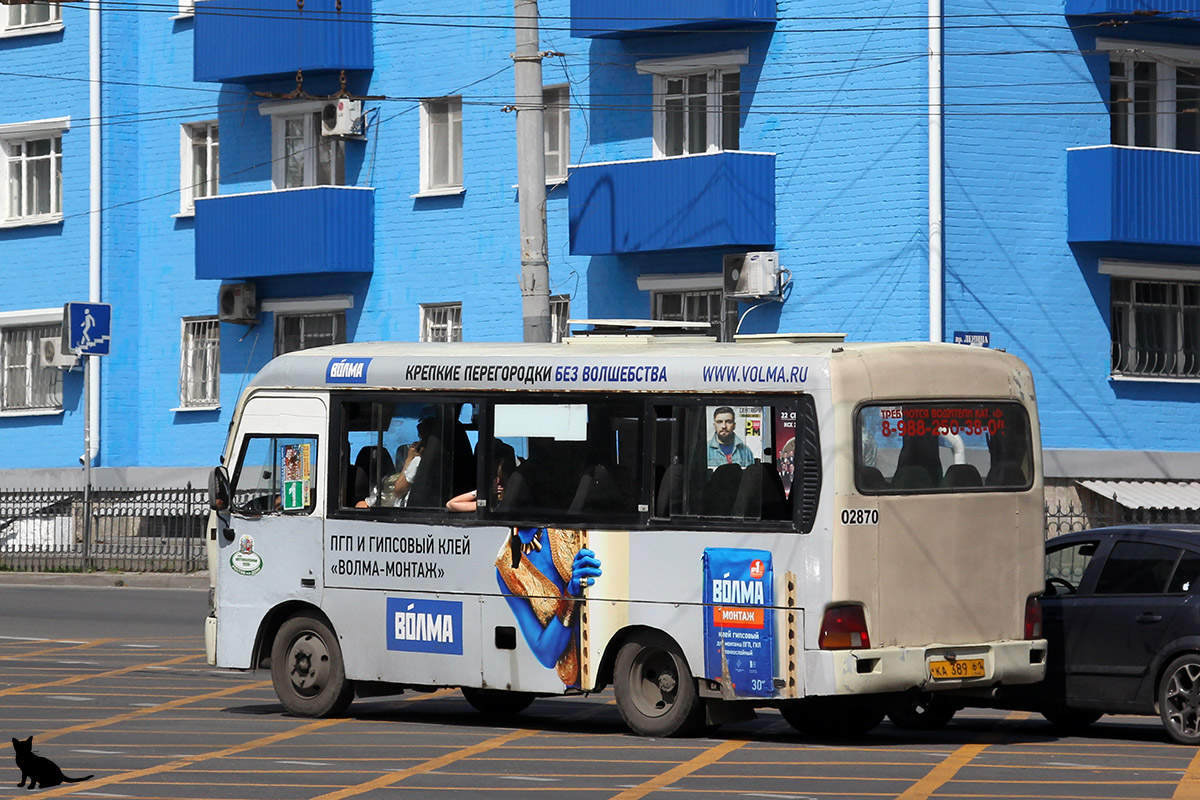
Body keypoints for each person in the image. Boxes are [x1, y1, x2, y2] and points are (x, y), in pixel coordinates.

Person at [494, 526, 601, 687]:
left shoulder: (566, 518)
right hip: (580, 675)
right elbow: (546, 654)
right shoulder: (506, 567)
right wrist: (570, 597)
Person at [445, 441, 516, 512]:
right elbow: (451, 504)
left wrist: (482, 492)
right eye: (492, 477)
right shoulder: (489, 504)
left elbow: (451, 504)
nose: (497, 481)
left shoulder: (508, 502)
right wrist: (484, 492)